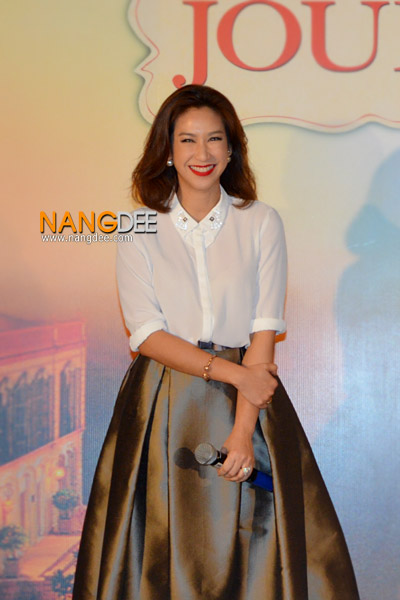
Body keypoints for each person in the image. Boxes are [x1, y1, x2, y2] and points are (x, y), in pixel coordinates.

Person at [72, 85, 359, 600]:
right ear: (167, 150)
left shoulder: (260, 221)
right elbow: (146, 333)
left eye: (214, 139)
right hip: (162, 397)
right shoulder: (137, 226)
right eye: (187, 140)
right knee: (156, 545)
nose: (201, 153)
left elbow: (263, 332)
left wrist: (243, 431)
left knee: (257, 545)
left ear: (231, 150)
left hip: (248, 404)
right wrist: (234, 373)